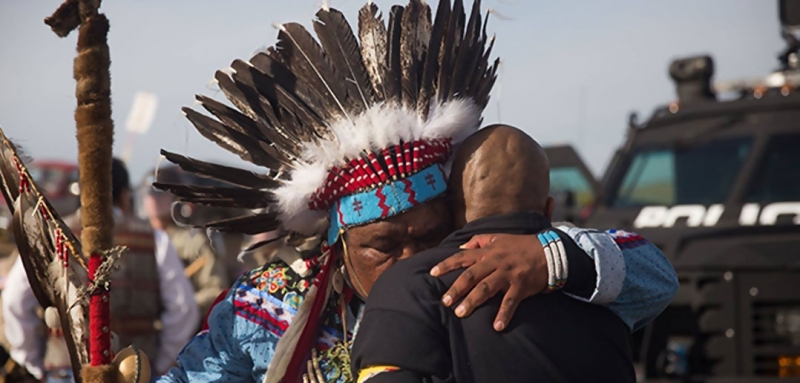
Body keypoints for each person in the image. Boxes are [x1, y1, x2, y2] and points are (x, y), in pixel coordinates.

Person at [155, 2, 676, 382]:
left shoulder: (507, 270)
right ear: (340, 242)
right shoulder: (269, 307)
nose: (408, 261)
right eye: (383, 246)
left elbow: (653, 277)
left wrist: (548, 260)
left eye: (427, 237)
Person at [353, 126, 675, 382]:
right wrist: (556, 258)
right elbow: (660, 278)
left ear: (452, 209)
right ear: (549, 209)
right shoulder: (598, 278)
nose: (407, 252)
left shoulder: (411, 284)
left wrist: (550, 257)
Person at [2, 158, 200, 382]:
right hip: (133, 375)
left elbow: (14, 301)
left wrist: (33, 362)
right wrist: (160, 364)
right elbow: (183, 310)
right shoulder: (155, 240)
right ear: (125, 196)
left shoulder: (52, 236)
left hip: (64, 373)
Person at [142, 166, 230, 319]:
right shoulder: (136, 239)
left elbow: (216, 289)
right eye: (149, 194)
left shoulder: (194, 242)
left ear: (175, 199)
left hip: (184, 330)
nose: (153, 200)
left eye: (160, 194)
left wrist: (181, 306)